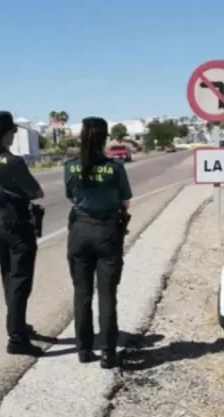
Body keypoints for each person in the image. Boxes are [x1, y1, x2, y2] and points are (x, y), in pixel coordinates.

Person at [64, 117, 133, 369]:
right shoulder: (115, 167)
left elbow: (71, 197)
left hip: (80, 231)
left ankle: (83, 350)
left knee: (81, 293)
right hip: (107, 232)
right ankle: (107, 352)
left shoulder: (71, 166)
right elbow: (125, 201)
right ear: (105, 138)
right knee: (107, 295)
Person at [0, 110, 45, 356]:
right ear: (6, 133)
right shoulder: (13, 161)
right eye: (13, 131)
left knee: (8, 276)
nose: (14, 135)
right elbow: (37, 192)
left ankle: (18, 325)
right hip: (17, 223)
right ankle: (16, 338)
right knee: (20, 281)